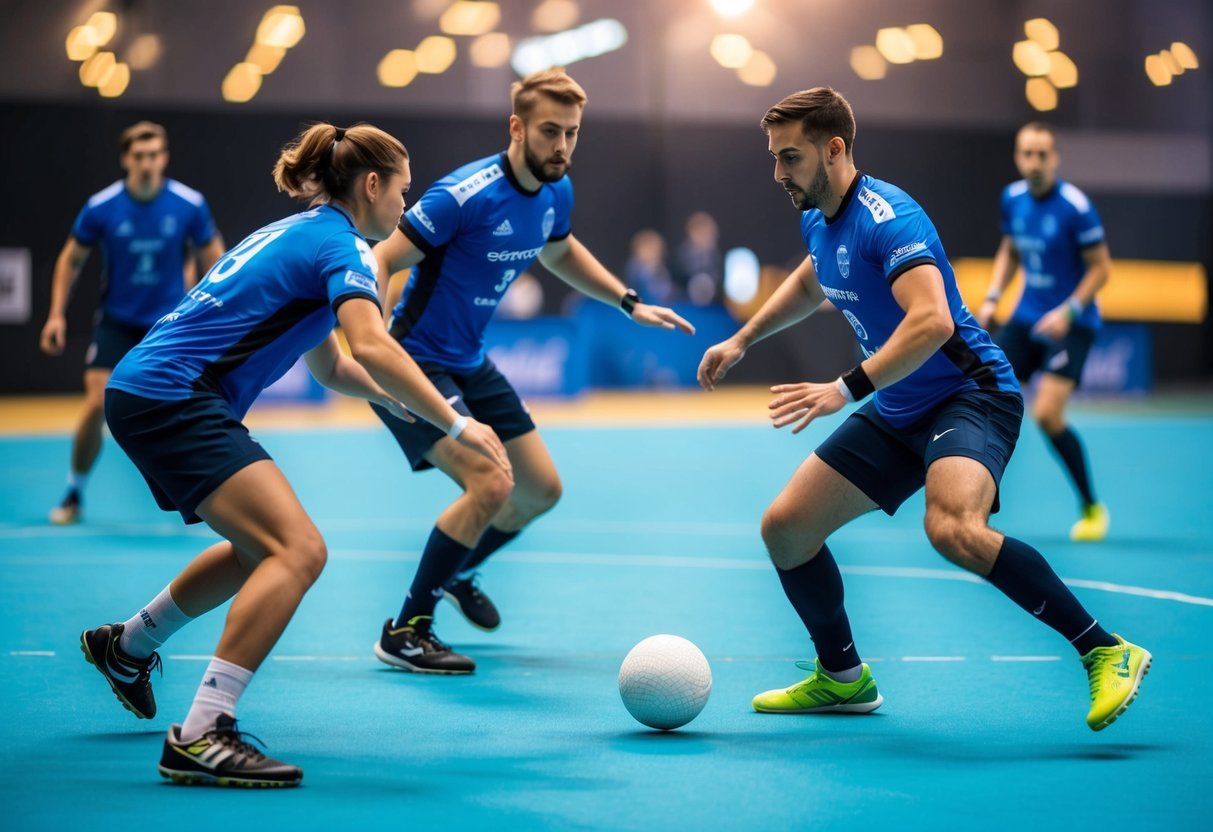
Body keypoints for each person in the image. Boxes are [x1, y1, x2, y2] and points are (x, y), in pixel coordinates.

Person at [697, 88, 1149, 731]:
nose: (778, 173)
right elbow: (812, 278)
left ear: (835, 149)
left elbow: (933, 321)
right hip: (902, 402)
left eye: (790, 157)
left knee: (953, 528)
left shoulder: (889, 218)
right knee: (786, 530)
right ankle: (843, 678)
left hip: (971, 396)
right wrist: (743, 338)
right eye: (774, 158)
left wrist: (845, 388)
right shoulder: (818, 217)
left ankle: (1107, 649)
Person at [81, 123, 511, 787]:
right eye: (403, 188)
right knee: (299, 550)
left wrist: (400, 404)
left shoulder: (298, 232)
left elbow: (334, 366)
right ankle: (202, 732)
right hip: (175, 396)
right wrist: (453, 422)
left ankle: (128, 645)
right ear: (372, 185)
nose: (407, 203)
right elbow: (372, 345)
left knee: (261, 548)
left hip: (150, 390)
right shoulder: (341, 247)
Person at [371, 68, 694, 674]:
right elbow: (382, 259)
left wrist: (628, 300)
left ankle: (458, 568)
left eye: (573, 133)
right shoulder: (461, 196)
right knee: (492, 483)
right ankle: (407, 628)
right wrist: (373, 352)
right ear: (516, 127)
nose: (564, 146)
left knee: (540, 489)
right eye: (551, 131)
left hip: (469, 359)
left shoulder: (555, 192)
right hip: (413, 361)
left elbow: (560, 250)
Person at [39, 121, 225, 525]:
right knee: (95, 403)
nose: (147, 163)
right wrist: (56, 314)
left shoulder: (189, 204)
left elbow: (217, 259)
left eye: (154, 154)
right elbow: (71, 259)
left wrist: (212, 311)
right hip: (117, 322)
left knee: (189, 409)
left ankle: (201, 497)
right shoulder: (101, 206)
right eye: (139, 156)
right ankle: (74, 492)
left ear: (165, 157)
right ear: (126, 159)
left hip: (169, 326)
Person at [975, 122, 1112, 541]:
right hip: (1025, 316)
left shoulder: (1075, 206)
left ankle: (1091, 508)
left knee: (1049, 414)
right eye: (1027, 154)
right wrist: (995, 296)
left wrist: (1068, 312)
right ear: (1018, 158)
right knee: (985, 399)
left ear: (1055, 159)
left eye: (1042, 155)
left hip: (1073, 322)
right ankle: (975, 507)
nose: (1034, 162)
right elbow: (1010, 250)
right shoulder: (1012, 199)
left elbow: (1101, 269)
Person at [674, 211, 723, 305]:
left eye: (710, 234)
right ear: (692, 233)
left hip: (712, 308)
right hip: (686, 307)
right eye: (703, 233)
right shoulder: (681, 258)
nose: (708, 237)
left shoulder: (716, 257)